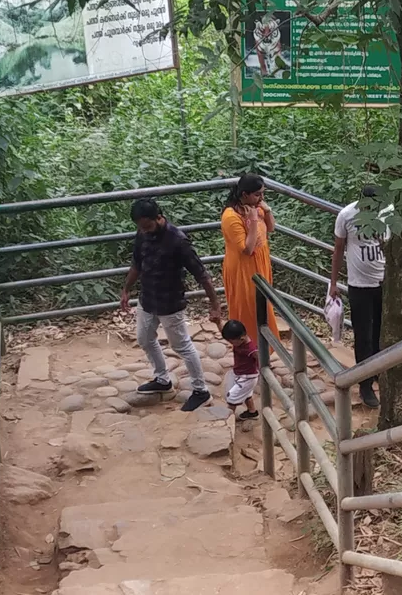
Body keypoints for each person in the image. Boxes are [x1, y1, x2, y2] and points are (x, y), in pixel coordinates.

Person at [117, 197, 224, 412]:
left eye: (146, 226)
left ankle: (200, 390)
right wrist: (126, 289)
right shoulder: (142, 233)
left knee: (181, 346)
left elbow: (202, 275)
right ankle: (161, 378)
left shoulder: (178, 241)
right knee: (144, 338)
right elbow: (137, 264)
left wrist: (215, 304)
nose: (143, 231)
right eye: (140, 227)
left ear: (158, 217)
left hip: (170, 301)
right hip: (147, 298)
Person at [328, 182, 392, 407]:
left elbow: (391, 247)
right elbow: (338, 249)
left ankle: (377, 374)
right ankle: (364, 384)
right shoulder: (346, 215)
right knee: (363, 335)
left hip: (384, 283)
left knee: (380, 333)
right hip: (359, 285)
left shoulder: (387, 214)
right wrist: (333, 282)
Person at [219, 172, 280, 345]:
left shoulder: (257, 206)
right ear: (244, 194)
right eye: (257, 194)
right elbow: (247, 249)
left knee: (264, 307)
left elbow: (271, 228)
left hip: (260, 263)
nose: (261, 198)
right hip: (243, 269)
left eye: (263, 193)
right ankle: (249, 349)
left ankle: (265, 350)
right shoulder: (231, 216)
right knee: (248, 308)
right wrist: (253, 221)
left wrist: (266, 211)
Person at [221, 319, 261, 421]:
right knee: (247, 395)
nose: (230, 343)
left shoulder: (251, 349)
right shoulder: (239, 341)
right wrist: (218, 323)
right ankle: (252, 412)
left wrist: (263, 369)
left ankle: (227, 420)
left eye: (231, 341)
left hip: (248, 377)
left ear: (241, 338)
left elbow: (260, 358)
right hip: (240, 374)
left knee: (232, 398)